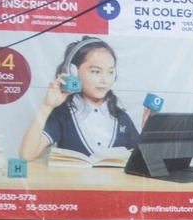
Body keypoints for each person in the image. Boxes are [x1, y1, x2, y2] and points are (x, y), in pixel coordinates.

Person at [19, 37, 149, 160]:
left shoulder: (121, 117)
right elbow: (26, 155)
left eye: (110, 72)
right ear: (73, 73)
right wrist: (47, 106)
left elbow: (139, 163)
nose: (104, 80)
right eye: (95, 72)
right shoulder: (63, 115)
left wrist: (147, 131)